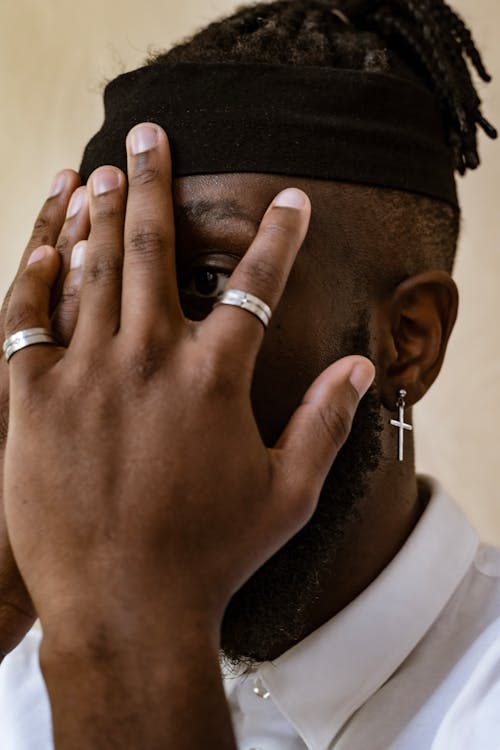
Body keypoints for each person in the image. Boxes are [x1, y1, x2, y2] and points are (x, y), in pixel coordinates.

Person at [0, 0, 499, 747]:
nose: (113, 367)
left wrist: (128, 634)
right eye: (89, 286)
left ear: (409, 341)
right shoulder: (23, 659)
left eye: (205, 281)